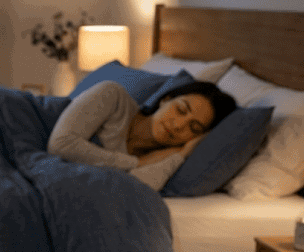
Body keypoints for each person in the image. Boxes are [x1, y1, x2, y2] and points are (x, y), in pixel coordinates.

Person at [48, 79, 238, 191]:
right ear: (165, 100)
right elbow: (60, 144)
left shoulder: (162, 159)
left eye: (194, 128)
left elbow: (133, 192)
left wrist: (181, 154)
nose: (179, 125)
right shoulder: (113, 95)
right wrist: (136, 163)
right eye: (180, 110)